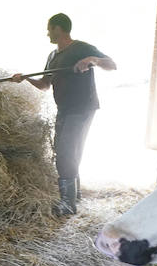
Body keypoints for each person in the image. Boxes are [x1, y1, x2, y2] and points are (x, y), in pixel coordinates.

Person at [11, 13, 116, 215]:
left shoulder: (82, 48)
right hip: (64, 109)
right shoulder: (53, 56)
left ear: (58, 29)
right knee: (64, 149)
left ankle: (68, 204)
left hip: (82, 107)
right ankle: (74, 194)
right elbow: (44, 85)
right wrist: (24, 78)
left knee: (67, 150)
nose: (47, 33)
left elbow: (111, 65)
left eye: (49, 28)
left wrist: (91, 60)